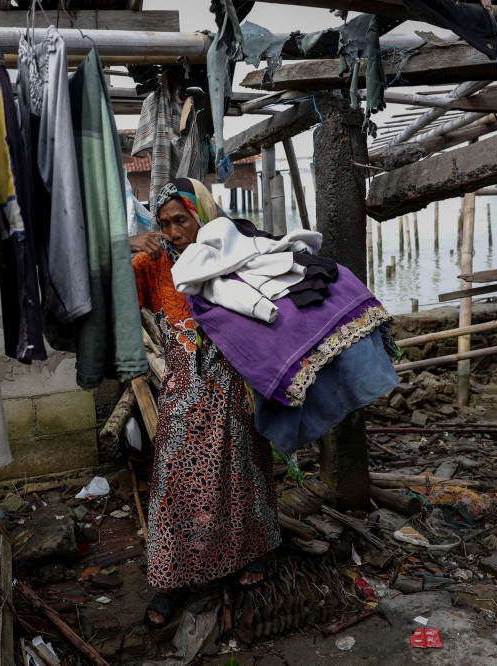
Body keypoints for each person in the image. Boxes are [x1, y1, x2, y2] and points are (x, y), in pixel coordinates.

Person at [129, 178, 280, 628]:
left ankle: (253, 551)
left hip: (235, 387)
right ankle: (172, 576)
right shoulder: (154, 266)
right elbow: (97, 281)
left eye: (182, 219)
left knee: (242, 474)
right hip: (183, 391)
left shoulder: (238, 256)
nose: (174, 231)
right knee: (175, 479)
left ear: (203, 215)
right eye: (165, 223)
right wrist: (124, 244)